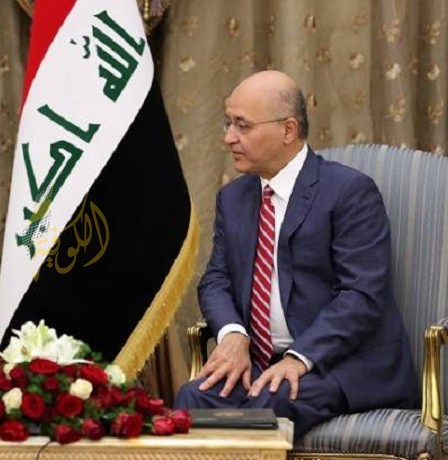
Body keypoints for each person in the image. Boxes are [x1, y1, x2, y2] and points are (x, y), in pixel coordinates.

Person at [174, 71, 418, 438]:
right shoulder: (234, 198)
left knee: (268, 405)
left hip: (340, 364)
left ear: (288, 130)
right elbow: (216, 280)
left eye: (243, 125)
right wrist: (233, 334)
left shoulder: (349, 191)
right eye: (228, 123)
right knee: (192, 397)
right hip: (263, 365)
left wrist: (299, 358)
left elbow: (361, 295)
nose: (229, 137)